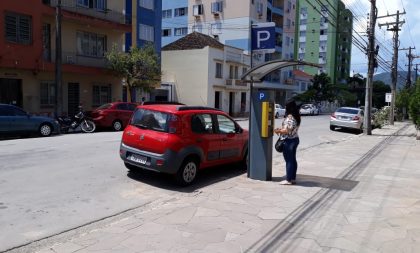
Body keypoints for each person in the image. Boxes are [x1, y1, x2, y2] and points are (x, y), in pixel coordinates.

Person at [274, 100, 301, 185]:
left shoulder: (289, 117)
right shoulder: (296, 116)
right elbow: (291, 128)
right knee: (293, 159)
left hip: (289, 141)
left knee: (289, 160)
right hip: (295, 139)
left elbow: (286, 130)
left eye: (286, 106)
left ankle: (288, 179)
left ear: (289, 107)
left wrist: (278, 130)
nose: (285, 108)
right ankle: (293, 178)